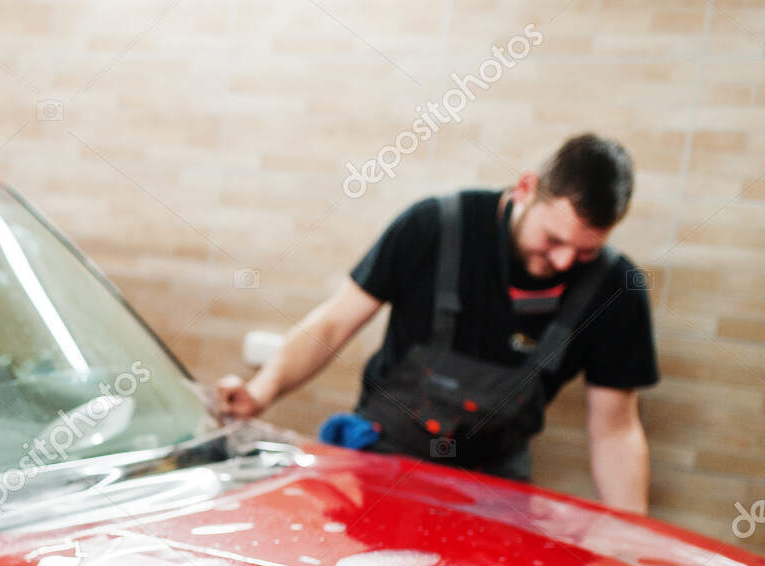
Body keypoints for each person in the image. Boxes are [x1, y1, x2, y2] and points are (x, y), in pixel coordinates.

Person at [215, 134, 658, 512]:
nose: (563, 261)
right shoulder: (435, 227)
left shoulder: (615, 289)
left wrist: (633, 537)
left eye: (584, 251)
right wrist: (260, 392)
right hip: (383, 467)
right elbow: (331, 325)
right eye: (553, 240)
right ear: (526, 187)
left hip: (494, 490)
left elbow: (615, 430)